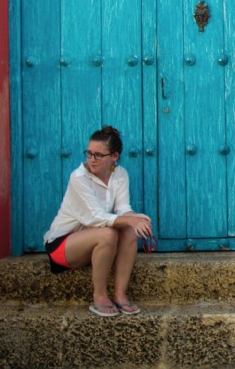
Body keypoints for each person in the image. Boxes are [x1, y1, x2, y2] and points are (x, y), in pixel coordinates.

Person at [42, 125, 154, 317]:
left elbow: (123, 209)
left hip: (93, 241)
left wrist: (137, 219)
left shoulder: (120, 174)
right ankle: (100, 296)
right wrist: (130, 220)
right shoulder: (79, 178)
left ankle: (120, 295)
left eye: (98, 155)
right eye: (89, 153)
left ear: (114, 156)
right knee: (108, 233)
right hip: (62, 246)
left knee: (128, 230)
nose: (91, 160)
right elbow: (96, 218)